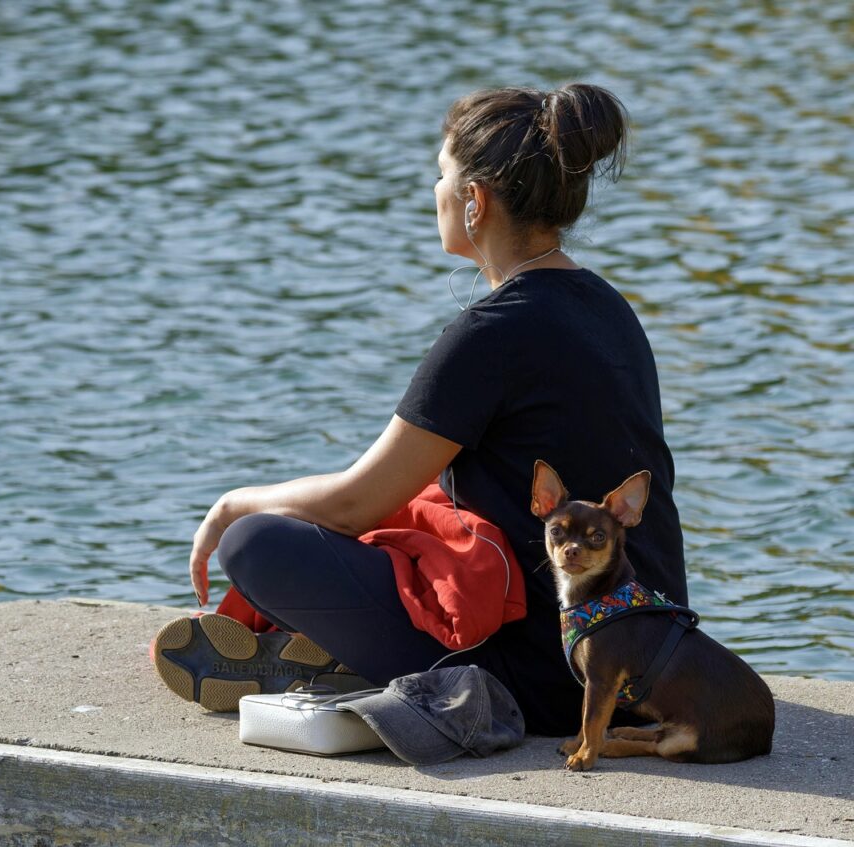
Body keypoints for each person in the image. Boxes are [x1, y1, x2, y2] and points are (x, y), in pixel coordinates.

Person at [155, 84, 687, 737]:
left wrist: (237, 501)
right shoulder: (609, 308)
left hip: (549, 678)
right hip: (656, 658)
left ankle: (358, 652)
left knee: (256, 542)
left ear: (476, 200)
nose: (434, 192)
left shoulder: (491, 334)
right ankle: (340, 649)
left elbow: (356, 501)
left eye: (442, 176)